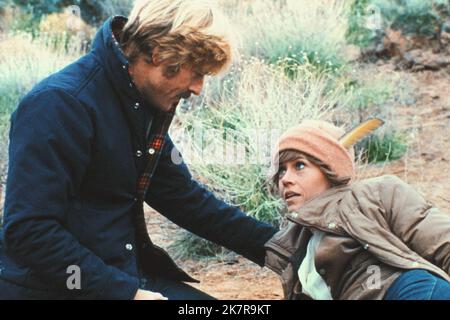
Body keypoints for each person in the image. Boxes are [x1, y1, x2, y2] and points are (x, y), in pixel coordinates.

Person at [0, 0, 277, 300]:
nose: (198, 88)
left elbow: (184, 198)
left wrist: (279, 247)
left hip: (122, 274)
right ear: (159, 53)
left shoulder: (139, 103)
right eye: (196, 72)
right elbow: (29, 231)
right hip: (56, 288)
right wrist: (128, 294)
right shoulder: (60, 105)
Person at [264, 119, 450, 300]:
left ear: (330, 168)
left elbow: (442, 242)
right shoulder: (298, 238)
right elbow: (248, 233)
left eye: (300, 165)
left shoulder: (375, 193)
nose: (285, 179)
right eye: (281, 170)